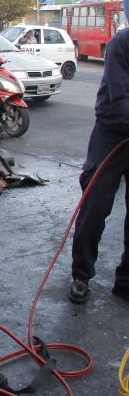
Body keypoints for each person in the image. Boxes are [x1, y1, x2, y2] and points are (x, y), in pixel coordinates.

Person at [68, 28, 129, 304]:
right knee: (95, 205)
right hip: (112, 132)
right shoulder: (122, 43)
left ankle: (126, 279)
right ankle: (81, 274)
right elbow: (120, 98)